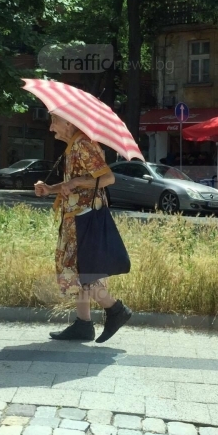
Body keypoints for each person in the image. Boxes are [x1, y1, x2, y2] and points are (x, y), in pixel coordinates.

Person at [34, 113, 132, 343]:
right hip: (76, 217)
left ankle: (115, 309)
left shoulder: (84, 144)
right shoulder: (73, 146)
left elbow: (107, 178)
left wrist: (76, 182)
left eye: (54, 121)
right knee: (81, 269)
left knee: (82, 269)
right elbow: (74, 182)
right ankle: (83, 324)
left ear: (68, 122)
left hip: (85, 218)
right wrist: (50, 189)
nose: (50, 128)